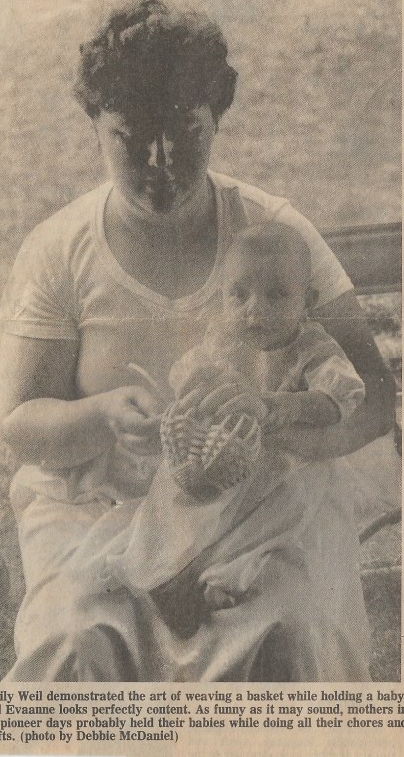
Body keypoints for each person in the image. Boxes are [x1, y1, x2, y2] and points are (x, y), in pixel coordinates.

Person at [0, 0, 395, 681]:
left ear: (217, 118)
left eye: (186, 131)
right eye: (131, 137)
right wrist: (101, 414)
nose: (161, 162)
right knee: (77, 637)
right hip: (101, 514)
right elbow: (21, 423)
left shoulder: (271, 236)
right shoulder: (60, 251)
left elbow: (372, 399)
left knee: (291, 629)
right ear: (95, 124)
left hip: (259, 512)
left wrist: (272, 420)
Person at [104, 222, 366, 602]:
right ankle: (149, 566)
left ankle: (225, 575)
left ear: (307, 301)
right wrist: (189, 390)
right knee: (169, 490)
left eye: (276, 295)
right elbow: (186, 375)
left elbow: (339, 397)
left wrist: (277, 405)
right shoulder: (225, 339)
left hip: (282, 460)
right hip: (219, 452)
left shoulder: (312, 347)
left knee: (280, 511)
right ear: (222, 296)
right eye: (238, 295)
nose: (254, 310)